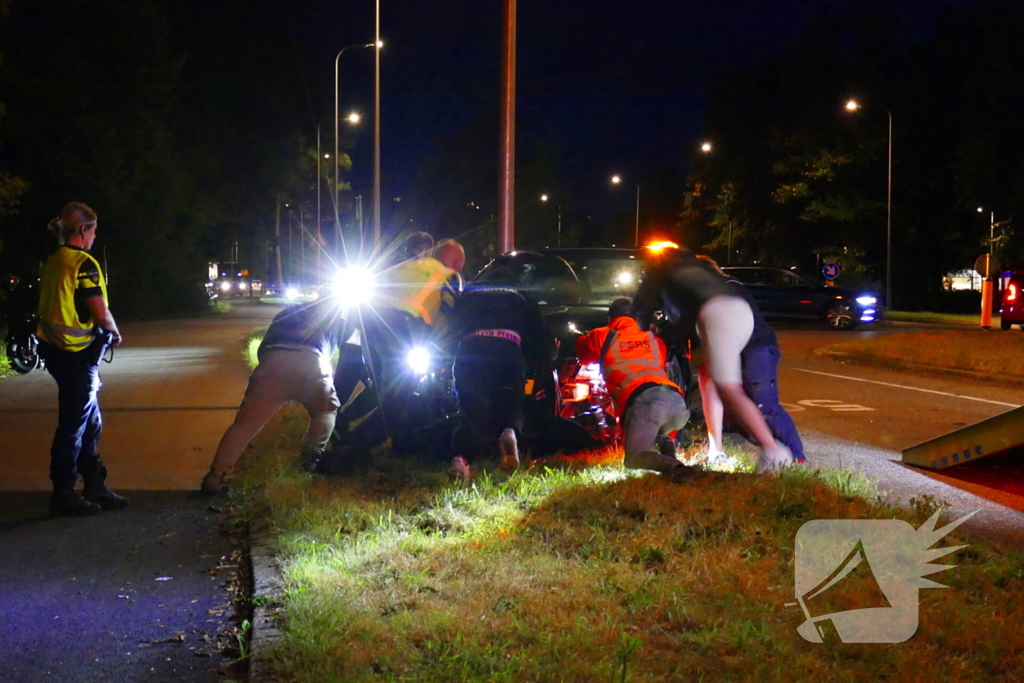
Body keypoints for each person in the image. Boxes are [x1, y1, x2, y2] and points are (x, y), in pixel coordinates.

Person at [634, 244, 795, 473]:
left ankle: (774, 452)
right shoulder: (696, 267)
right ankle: (716, 450)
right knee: (707, 380)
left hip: (717, 314)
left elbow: (643, 311)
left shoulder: (657, 272)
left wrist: (647, 334)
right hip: (738, 309)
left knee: (728, 388)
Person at [36, 202, 127, 516]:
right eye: (93, 231)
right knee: (74, 424)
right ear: (84, 230)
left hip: (55, 352)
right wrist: (114, 331)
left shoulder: (52, 261)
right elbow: (99, 311)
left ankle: (94, 485)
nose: (94, 237)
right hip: (78, 355)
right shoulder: (83, 263)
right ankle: (63, 493)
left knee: (89, 420)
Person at [201, 297, 345, 492]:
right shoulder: (336, 319)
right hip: (312, 361)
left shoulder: (287, 313)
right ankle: (310, 458)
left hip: (272, 361)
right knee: (326, 409)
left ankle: (216, 476)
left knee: (245, 425)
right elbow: (337, 353)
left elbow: (263, 347)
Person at [340, 238, 465, 458]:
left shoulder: (412, 266)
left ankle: (341, 422)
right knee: (401, 398)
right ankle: (351, 449)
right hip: (401, 325)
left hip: (368, 322)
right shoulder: (448, 275)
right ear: (457, 262)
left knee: (383, 386)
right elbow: (452, 320)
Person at [694, 255, 805, 464]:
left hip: (756, 348)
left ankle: (798, 459)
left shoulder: (727, 287)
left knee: (765, 406)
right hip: (739, 350)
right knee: (731, 406)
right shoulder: (714, 289)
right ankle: (720, 451)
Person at [575, 298, 697, 479]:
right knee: (656, 429)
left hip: (648, 402)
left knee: (633, 458)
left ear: (610, 318)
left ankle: (677, 468)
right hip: (676, 403)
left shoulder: (603, 335)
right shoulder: (655, 339)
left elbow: (582, 352)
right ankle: (669, 455)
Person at [446, 283, 557, 480]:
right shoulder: (522, 296)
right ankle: (509, 431)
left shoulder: (469, 294)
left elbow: (449, 327)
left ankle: (460, 459)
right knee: (511, 403)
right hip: (508, 347)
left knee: (471, 409)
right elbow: (542, 342)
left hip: (471, 347)